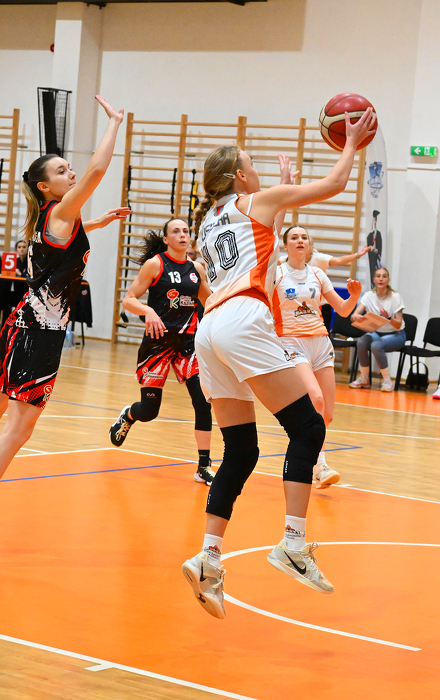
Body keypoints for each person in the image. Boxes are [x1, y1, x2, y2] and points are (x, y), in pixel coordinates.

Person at [181, 108, 376, 619]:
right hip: (243, 320)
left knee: (241, 450)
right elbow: (334, 185)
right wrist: (351, 143)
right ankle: (292, 543)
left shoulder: (211, 220)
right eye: (252, 163)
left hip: (210, 330)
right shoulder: (256, 201)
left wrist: (282, 202)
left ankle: (208, 558)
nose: (258, 169)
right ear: (239, 175)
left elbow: (260, 250)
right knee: (308, 428)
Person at [0, 95, 128, 479]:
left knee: (9, 420)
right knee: (19, 428)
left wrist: (98, 223)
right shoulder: (60, 211)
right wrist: (114, 123)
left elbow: (62, 249)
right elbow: (98, 169)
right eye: (62, 171)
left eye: (69, 167)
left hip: (19, 324)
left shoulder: (49, 217)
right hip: (39, 333)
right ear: (45, 186)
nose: (71, 173)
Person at [109, 218, 215, 486]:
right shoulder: (155, 264)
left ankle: (204, 466)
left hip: (187, 344)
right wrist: (148, 311)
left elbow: (210, 302)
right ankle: (129, 415)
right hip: (158, 344)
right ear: (166, 239)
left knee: (203, 401)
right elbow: (129, 299)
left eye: (186, 231)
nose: (182, 235)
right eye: (176, 231)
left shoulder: (197, 269)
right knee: (149, 411)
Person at [273, 226, 361, 489]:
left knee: (327, 414)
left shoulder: (317, 274)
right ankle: (320, 465)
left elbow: (342, 310)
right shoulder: (276, 273)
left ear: (310, 246)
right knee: (316, 399)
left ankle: (311, 458)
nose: (300, 240)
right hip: (292, 342)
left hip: (321, 343)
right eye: (294, 237)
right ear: (286, 245)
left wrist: (354, 296)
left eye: (304, 237)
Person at [349, 267, 406, 392]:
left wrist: (388, 317)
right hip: (377, 333)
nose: (381, 279)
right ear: (374, 279)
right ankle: (364, 379)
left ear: (388, 280)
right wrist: (356, 317)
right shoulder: (369, 295)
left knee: (376, 345)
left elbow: (398, 324)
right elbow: (354, 315)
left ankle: (387, 380)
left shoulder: (395, 297)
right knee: (361, 341)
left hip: (396, 334)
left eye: (384, 276)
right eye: (378, 276)